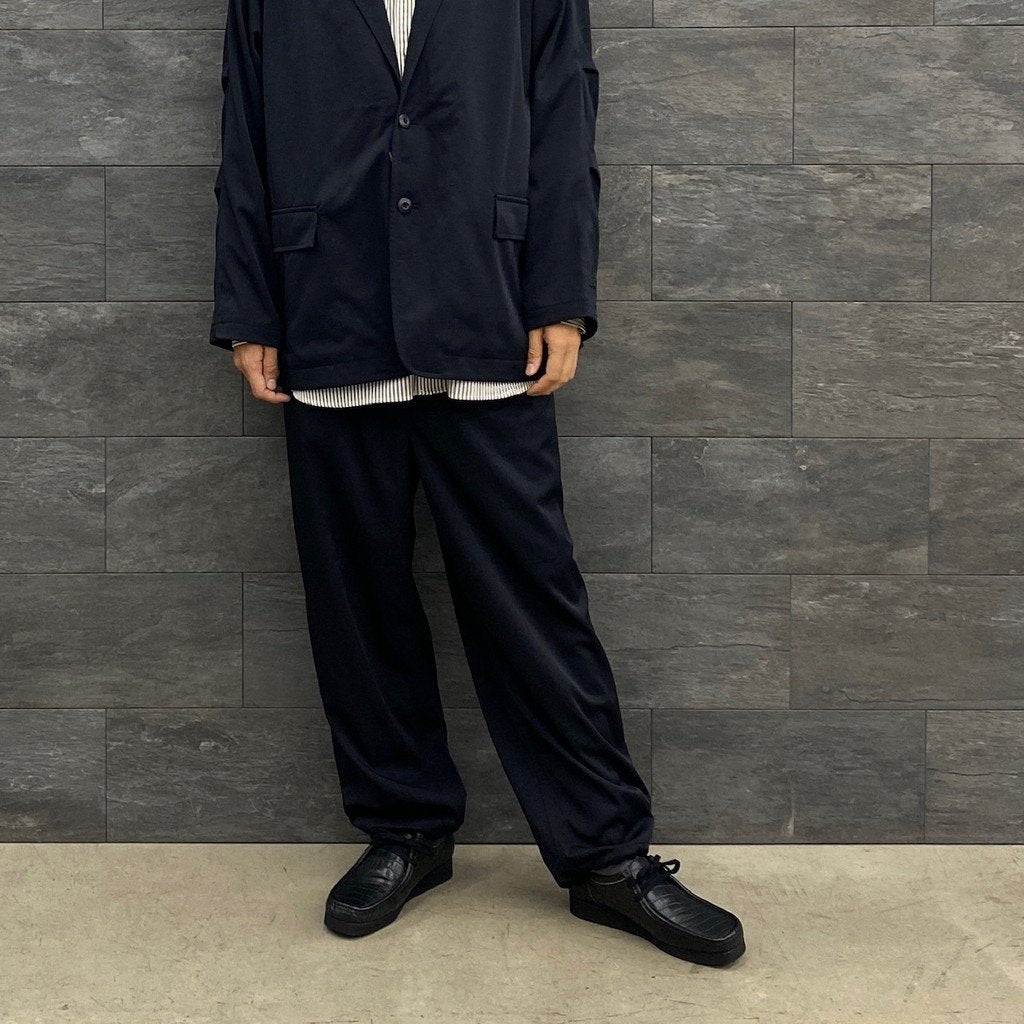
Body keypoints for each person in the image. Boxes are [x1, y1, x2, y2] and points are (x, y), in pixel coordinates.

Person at [210, 0, 745, 967]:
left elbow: (565, 118)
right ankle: (406, 828)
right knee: (356, 600)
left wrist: (563, 297)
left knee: (533, 599)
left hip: (487, 311)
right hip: (329, 306)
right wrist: (249, 305)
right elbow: (244, 129)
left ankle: (607, 856)